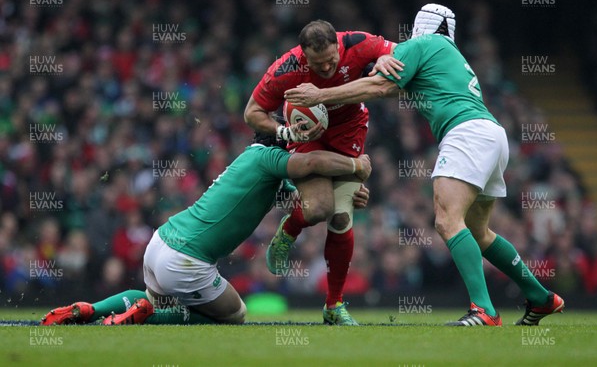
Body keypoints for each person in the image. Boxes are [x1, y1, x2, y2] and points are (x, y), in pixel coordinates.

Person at [283, 4, 564, 326]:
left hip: (466, 134)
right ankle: (541, 298)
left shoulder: (421, 45)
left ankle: (484, 310)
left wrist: (321, 95)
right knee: (478, 232)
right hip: (492, 135)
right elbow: (389, 88)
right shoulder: (449, 54)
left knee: (447, 221)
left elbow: (381, 87)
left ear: (419, 27)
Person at [41, 132, 371, 325]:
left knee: (150, 297)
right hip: (187, 260)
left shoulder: (253, 163)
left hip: (161, 241)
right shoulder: (268, 158)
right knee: (236, 314)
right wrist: (357, 166)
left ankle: (90, 309)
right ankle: (151, 315)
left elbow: (309, 204)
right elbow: (311, 164)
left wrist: (345, 197)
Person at [244, 20, 396, 325]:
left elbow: (394, 54)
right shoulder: (286, 68)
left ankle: (333, 306)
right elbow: (252, 113)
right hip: (306, 137)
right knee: (319, 210)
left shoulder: (358, 43)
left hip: (348, 131)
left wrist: (383, 58)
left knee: (341, 217)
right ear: (304, 55)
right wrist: (283, 132)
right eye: (318, 63)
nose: (326, 67)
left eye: (331, 60)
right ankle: (291, 228)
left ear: (337, 46)